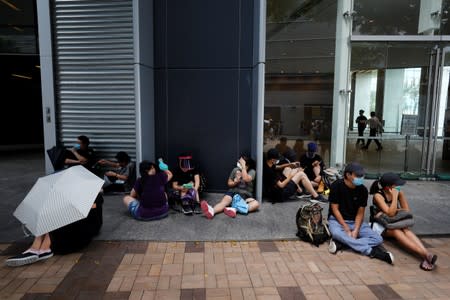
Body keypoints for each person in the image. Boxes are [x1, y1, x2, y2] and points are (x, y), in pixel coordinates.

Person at [5, 194, 103, 267]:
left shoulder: (95, 194)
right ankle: (35, 249)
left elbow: (92, 206)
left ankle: (44, 249)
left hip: (89, 226)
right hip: (78, 222)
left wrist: (68, 207)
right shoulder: (75, 194)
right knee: (48, 219)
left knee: (56, 222)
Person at [327, 162, 394, 265]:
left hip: (356, 222)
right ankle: (373, 252)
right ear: (348, 175)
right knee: (336, 233)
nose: (361, 177)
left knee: (378, 239)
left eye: (362, 175)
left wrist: (356, 230)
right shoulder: (336, 186)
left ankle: (342, 244)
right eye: (358, 175)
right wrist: (346, 227)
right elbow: (335, 210)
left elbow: (360, 213)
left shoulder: (363, 190)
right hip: (337, 221)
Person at [369, 173, 437, 271]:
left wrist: (391, 209)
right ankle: (425, 255)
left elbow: (406, 210)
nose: (399, 187)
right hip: (380, 225)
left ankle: (426, 254)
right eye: (396, 185)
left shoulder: (400, 193)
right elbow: (391, 214)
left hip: (393, 222)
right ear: (388, 187)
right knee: (396, 231)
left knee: (405, 229)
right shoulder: (378, 196)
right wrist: (395, 198)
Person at [263, 148, 327, 203]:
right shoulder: (271, 172)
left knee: (288, 169)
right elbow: (281, 185)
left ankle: (300, 191)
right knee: (301, 174)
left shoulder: (268, 165)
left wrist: (290, 164)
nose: (277, 160)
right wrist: (291, 176)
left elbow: (278, 166)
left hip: (275, 191)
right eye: (276, 159)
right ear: (272, 160)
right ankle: (316, 196)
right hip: (279, 195)